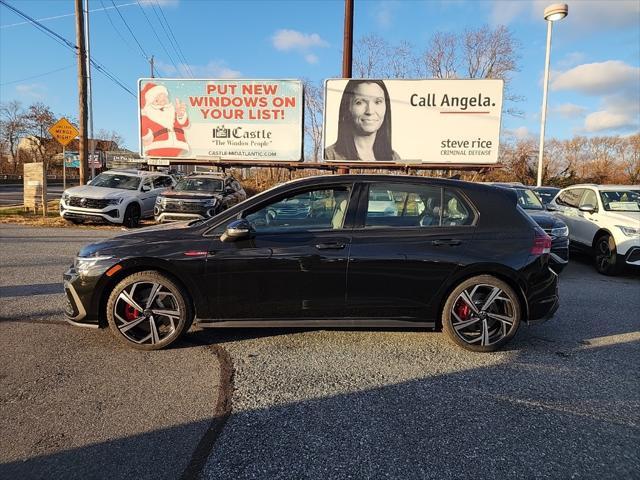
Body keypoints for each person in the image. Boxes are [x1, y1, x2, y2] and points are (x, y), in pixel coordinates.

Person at [324, 79, 400, 161]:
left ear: (386, 107)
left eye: (378, 102)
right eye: (359, 102)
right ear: (348, 107)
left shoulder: (393, 158)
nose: (370, 111)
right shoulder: (330, 156)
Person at [140, 82, 190, 157]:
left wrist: (180, 115)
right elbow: (143, 129)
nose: (162, 102)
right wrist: (148, 137)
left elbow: (184, 124)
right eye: (157, 100)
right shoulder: (147, 115)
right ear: (150, 102)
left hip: (178, 145)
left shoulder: (172, 111)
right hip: (157, 146)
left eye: (165, 99)